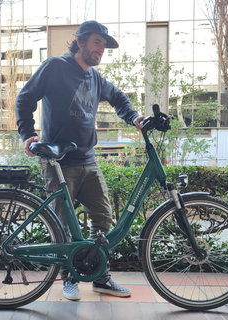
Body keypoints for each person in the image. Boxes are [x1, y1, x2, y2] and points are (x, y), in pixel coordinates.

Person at [15, 20, 145, 301]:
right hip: (59, 162)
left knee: (103, 220)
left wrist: (134, 117)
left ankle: (99, 276)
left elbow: (118, 97)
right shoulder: (55, 67)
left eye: (104, 46)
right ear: (81, 42)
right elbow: (24, 98)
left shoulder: (95, 78)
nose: (101, 50)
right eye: (97, 42)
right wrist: (28, 134)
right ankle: (69, 278)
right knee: (63, 225)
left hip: (89, 159)